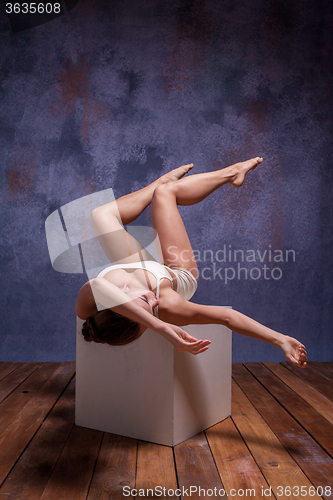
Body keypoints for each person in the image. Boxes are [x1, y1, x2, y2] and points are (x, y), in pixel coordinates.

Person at [75, 157, 307, 368]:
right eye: (154, 315)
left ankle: (159, 182)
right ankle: (231, 173)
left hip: (136, 266)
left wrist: (158, 327)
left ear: (117, 304)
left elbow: (97, 285)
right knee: (166, 193)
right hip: (177, 273)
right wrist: (280, 340)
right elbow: (227, 317)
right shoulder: (168, 306)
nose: (155, 302)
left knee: (101, 215)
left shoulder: (89, 306)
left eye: (147, 307)